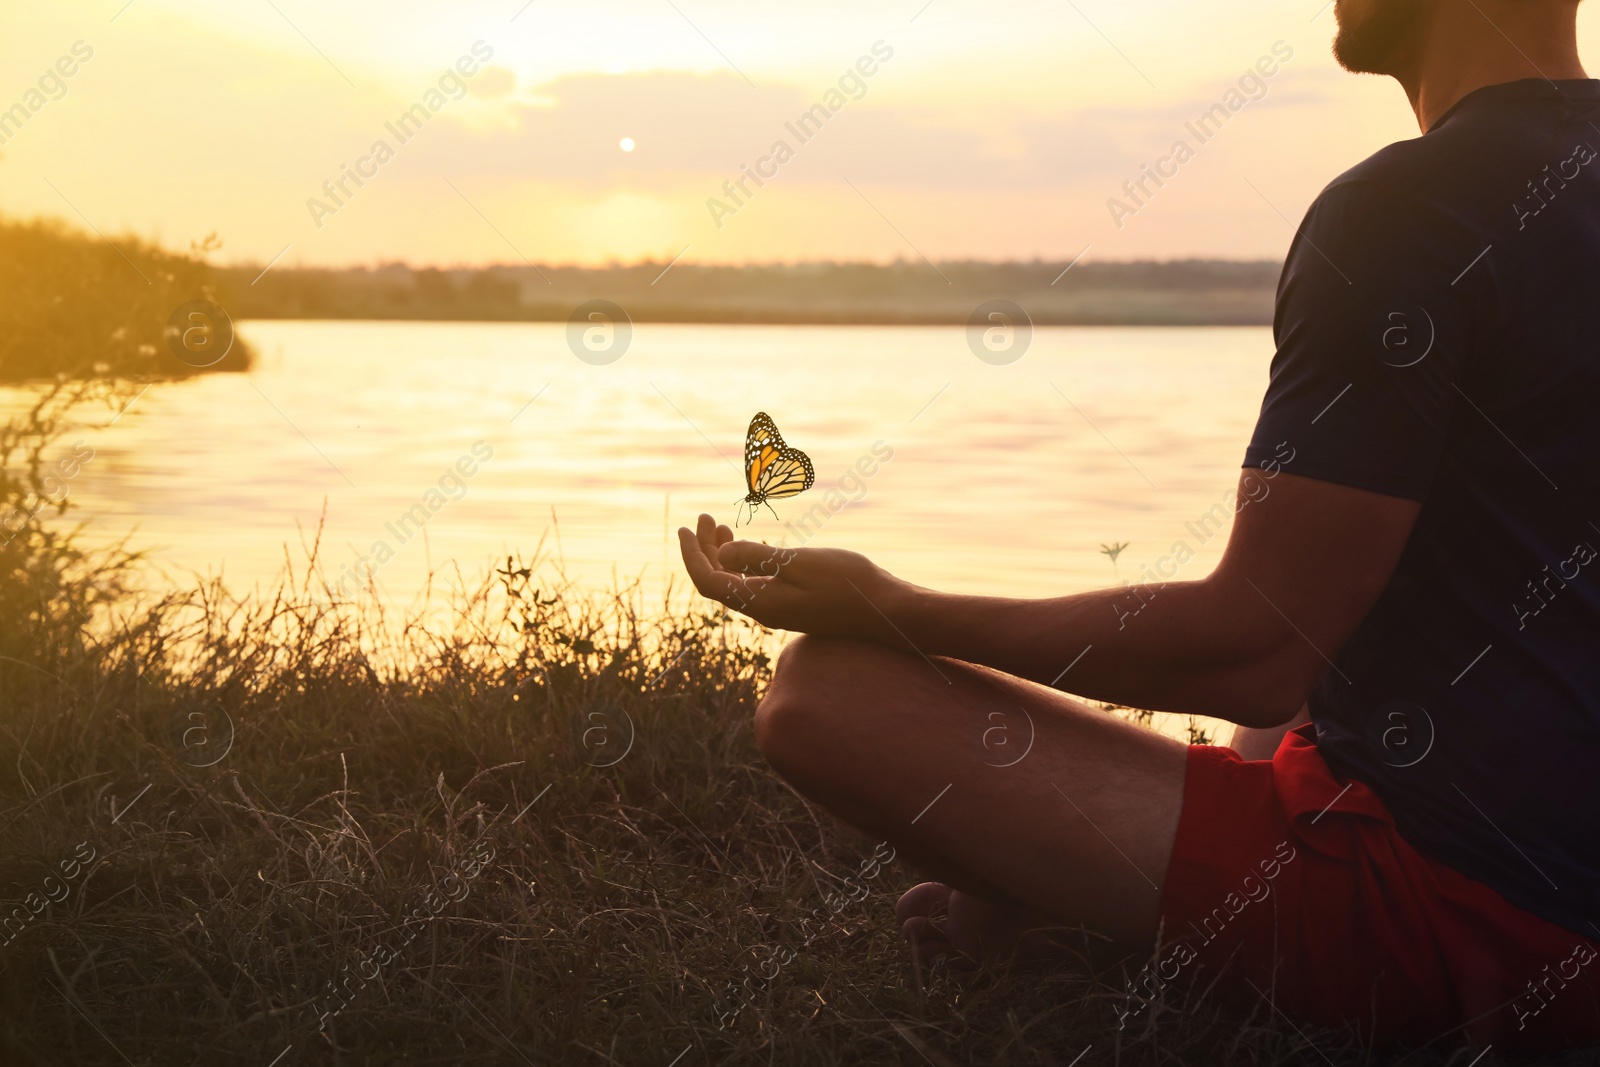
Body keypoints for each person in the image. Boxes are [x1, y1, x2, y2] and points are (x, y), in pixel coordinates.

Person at [679, 0, 1600, 1050]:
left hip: (1493, 922)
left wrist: (897, 608)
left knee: (821, 693)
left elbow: (1251, 650)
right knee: (1309, 688)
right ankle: (1084, 894)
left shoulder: (1407, 211)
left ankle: (1108, 923)